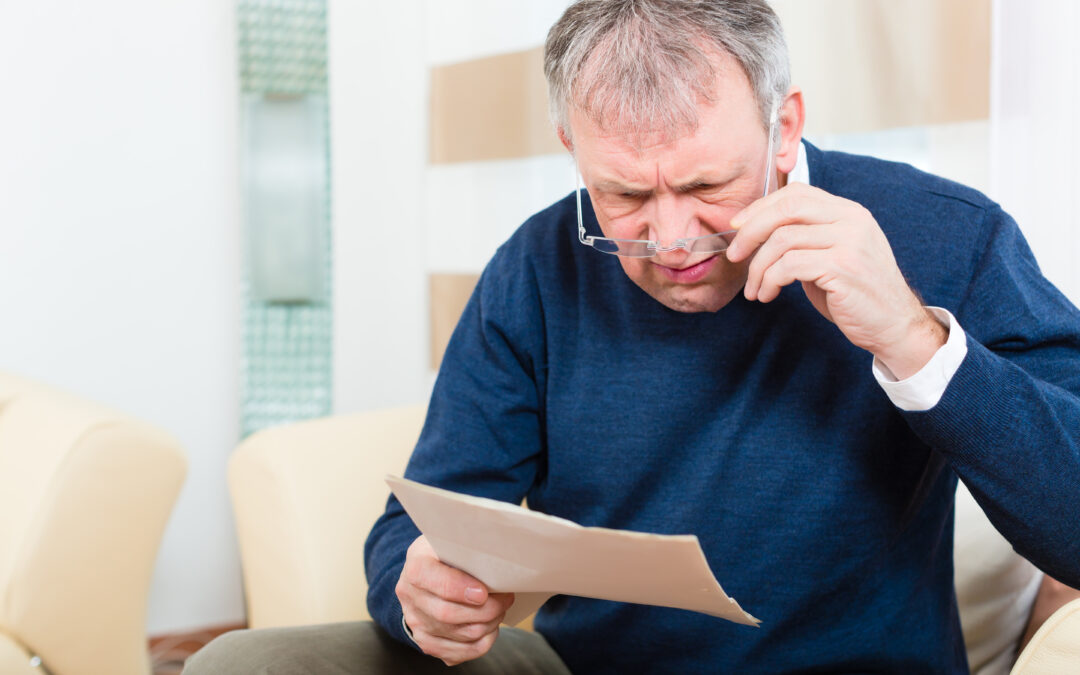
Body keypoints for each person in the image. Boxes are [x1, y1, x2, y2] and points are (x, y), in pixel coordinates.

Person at [184, 1, 1080, 673]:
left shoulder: (944, 234)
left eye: (708, 185)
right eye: (624, 197)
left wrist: (915, 342)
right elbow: (421, 516)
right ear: (571, 145)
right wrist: (417, 591)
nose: (674, 237)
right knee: (240, 663)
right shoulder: (536, 265)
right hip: (585, 666)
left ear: (785, 129)